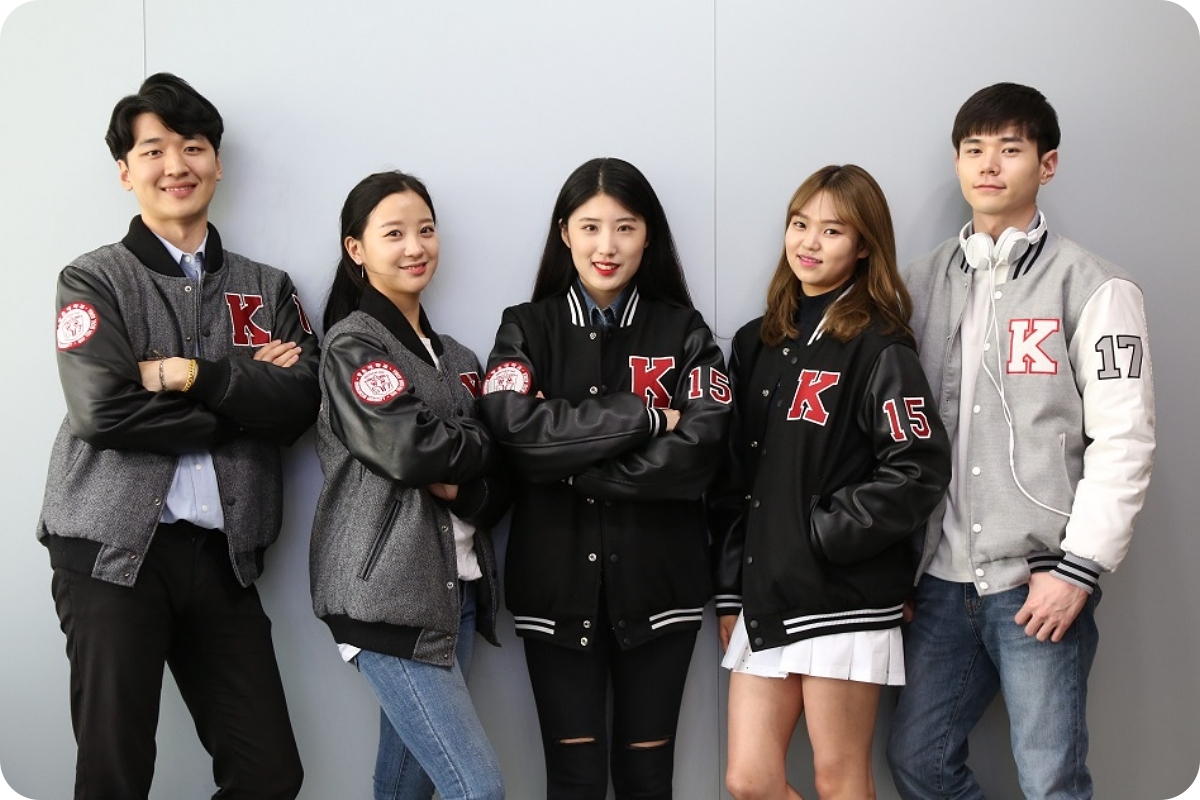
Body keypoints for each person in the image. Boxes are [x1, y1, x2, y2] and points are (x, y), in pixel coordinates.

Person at [38, 73, 317, 799]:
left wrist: (187, 375)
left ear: (217, 163)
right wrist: (245, 399)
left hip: (223, 560)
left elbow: (301, 406)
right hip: (110, 557)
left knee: (269, 774)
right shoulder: (95, 278)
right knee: (116, 774)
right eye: (153, 150)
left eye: (193, 147)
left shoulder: (268, 287)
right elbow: (105, 414)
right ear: (124, 171)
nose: (176, 166)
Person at [886, 83, 1156, 800]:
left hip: (1038, 583)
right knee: (918, 762)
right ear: (957, 161)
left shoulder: (1095, 286)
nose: (989, 165)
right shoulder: (916, 285)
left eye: (1010, 149)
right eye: (974, 149)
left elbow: (1125, 439)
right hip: (938, 584)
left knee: (1050, 781)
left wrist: (1078, 569)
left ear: (1047, 163)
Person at [478, 157, 730, 799]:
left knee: (647, 778)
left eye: (625, 227)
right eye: (590, 227)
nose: (607, 246)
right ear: (565, 232)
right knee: (574, 778)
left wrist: (567, 465)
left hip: (662, 583)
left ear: (649, 235)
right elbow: (511, 428)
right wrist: (646, 418)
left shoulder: (686, 331)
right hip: (554, 587)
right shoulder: (524, 327)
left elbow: (700, 452)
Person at [709, 164, 951, 800]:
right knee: (750, 781)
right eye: (800, 224)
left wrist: (822, 535)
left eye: (833, 230)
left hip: (843, 594)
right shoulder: (757, 342)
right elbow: (736, 477)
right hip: (767, 592)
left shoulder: (881, 345)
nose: (809, 242)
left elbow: (919, 466)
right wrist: (731, 590)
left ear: (864, 245)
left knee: (838, 781)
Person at [309, 171, 508, 800]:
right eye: (393, 233)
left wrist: (469, 485)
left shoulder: (461, 358)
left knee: (405, 789)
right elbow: (409, 450)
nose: (415, 247)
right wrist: (483, 445)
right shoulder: (353, 343)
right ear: (357, 249)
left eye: (425, 230)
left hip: (456, 592)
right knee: (478, 789)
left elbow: (504, 480)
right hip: (387, 597)